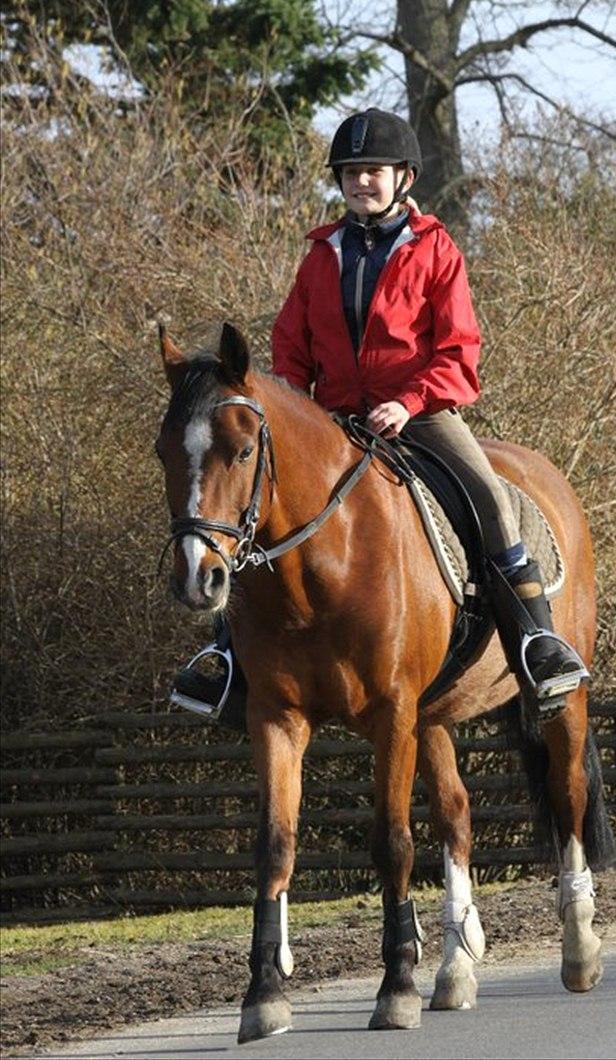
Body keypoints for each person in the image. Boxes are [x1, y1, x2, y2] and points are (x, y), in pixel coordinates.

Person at [172, 108, 588, 723]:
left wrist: (409, 401)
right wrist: (296, 403)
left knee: (491, 500)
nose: (361, 182)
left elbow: (459, 350)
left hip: (420, 414)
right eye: (351, 173)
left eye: (373, 172)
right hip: (335, 419)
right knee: (253, 513)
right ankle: (226, 658)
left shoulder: (436, 249)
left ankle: (538, 645)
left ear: (405, 177)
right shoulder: (320, 254)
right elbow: (293, 341)